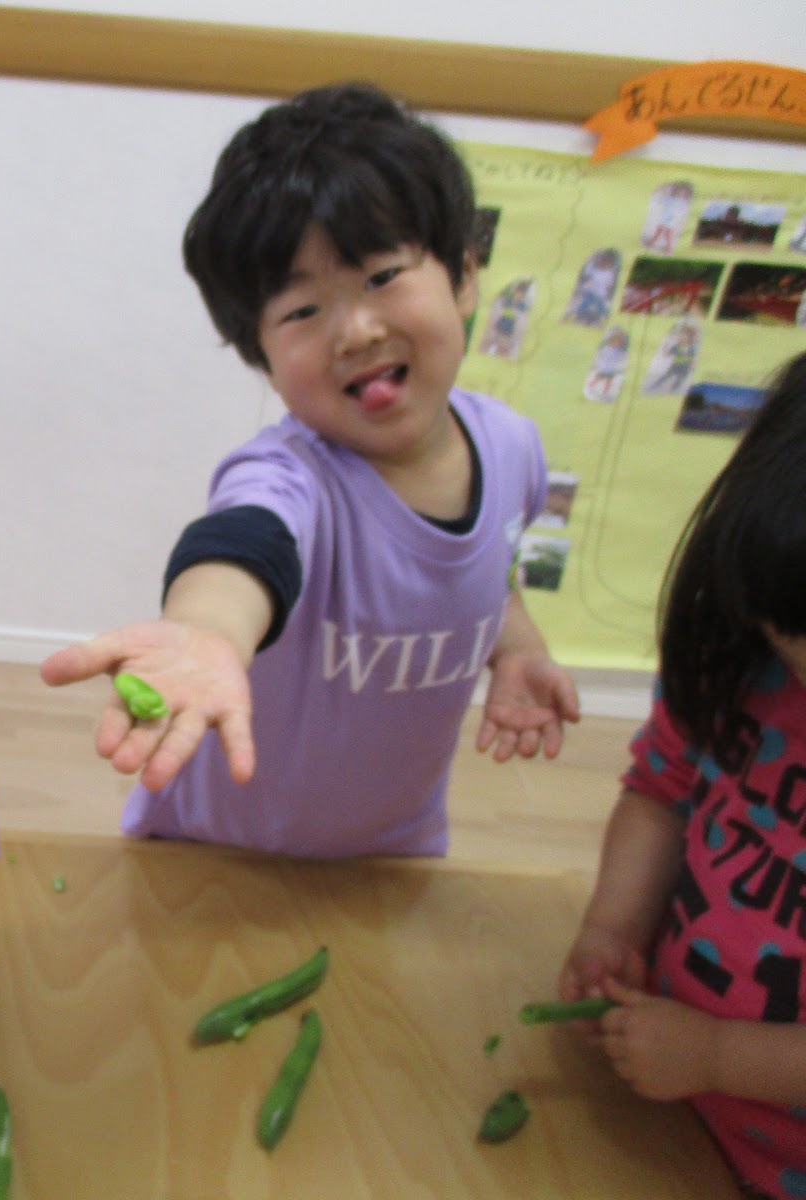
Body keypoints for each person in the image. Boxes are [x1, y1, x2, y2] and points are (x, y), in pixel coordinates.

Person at [40, 82, 579, 858]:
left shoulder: (514, 447)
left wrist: (518, 648)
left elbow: (496, 571)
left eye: (382, 276)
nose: (355, 331)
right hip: (218, 846)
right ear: (260, 357)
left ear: (463, 274)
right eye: (301, 312)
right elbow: (243, 545)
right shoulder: (288, 475)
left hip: (393, 846)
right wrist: (206, 632)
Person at [556, 351, 806, 1200]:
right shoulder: (736, 658)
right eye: (792, 639)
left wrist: (721, 1054)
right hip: (669, 1111)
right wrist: (614, 927)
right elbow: (662, 791)